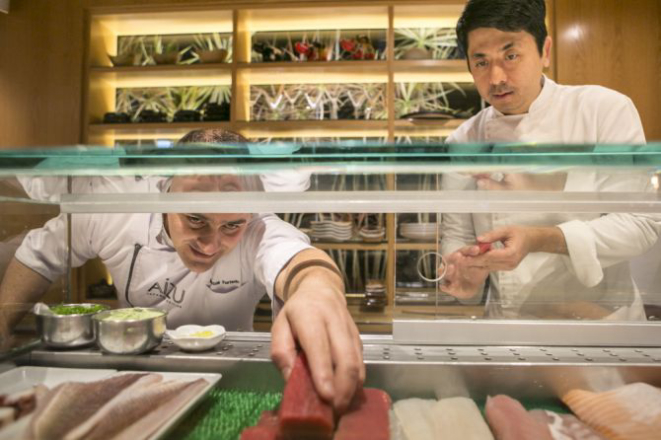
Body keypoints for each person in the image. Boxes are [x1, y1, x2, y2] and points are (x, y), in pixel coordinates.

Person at [0, 129, 363, 412]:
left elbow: (299, 262)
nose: (210, 243)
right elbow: (39, 254)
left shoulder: (258, 229)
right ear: (164, 190)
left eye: (231, 226)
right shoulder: (113, 213)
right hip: (128, 366)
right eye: (195, 219)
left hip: (231, 375)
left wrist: (318, 291)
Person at [439, 0, 660, 319]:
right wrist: (465, 276)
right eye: (481, 62)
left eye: (510, 55)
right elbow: (457, 237)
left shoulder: (603, 110)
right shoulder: (462, 141)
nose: (497, 76)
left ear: (545, 50)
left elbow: (640, 224)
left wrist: (539, 239)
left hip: (599, 324)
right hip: (509, 330)